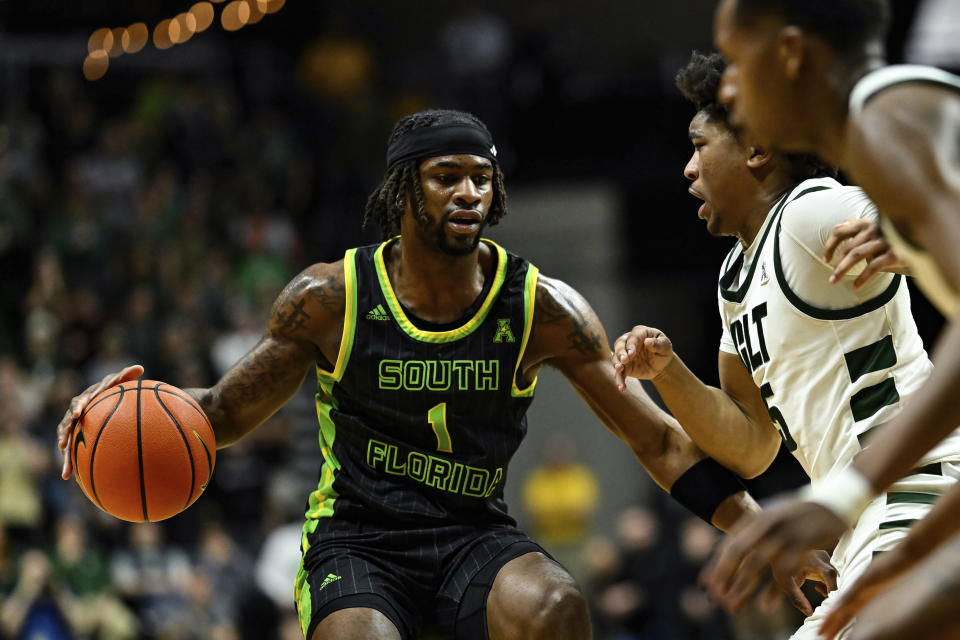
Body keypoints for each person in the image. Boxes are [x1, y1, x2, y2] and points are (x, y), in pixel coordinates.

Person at [55, 109, 803, 640]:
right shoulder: (329, 301)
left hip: (472, 534)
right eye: (447, 177)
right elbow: (217, 414)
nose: (469, 193)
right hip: (357, 538)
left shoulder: (542, 309)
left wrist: (763, 529)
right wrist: (116, 405)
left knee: (555, 607)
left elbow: (661, 444)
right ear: (403, 191)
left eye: (481, 178)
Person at [612, 50, 954, 639]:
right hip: (858, 522)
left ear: (755, 149)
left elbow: (931, 203)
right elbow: (750, 446)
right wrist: (667, 373)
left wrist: (907, 232)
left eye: (698, 146)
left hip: (917, 492)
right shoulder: (734, 278)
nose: (688, 169)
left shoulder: (812, 210)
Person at [702, 0, 960, 636]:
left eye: (736, 62)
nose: (727, 91)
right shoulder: (891, 133)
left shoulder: (886, 123)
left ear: (790, 55)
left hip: (910, 488)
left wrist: (841, 497)